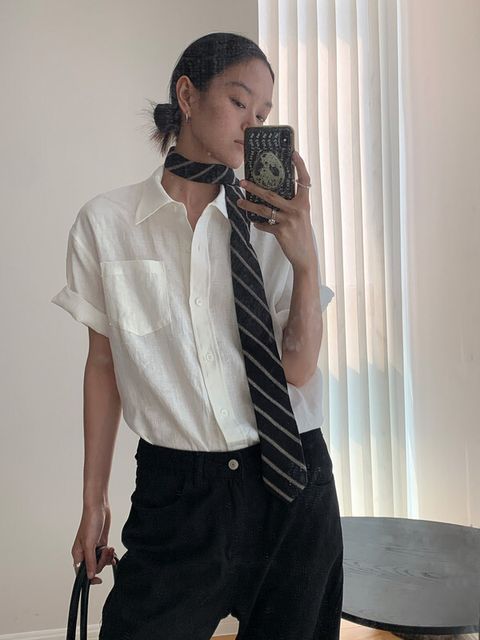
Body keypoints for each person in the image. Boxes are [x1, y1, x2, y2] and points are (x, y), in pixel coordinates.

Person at [51, 31, 343, 640]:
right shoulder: (107, 225)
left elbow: (297, 370)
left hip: (291, 481)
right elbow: (102, 366)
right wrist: (93, 501)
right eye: (239, 102)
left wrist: (305, 259)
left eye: (263, 113)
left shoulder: (275, 224)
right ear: (188, 96)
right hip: (176, 495)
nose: (252, 123)